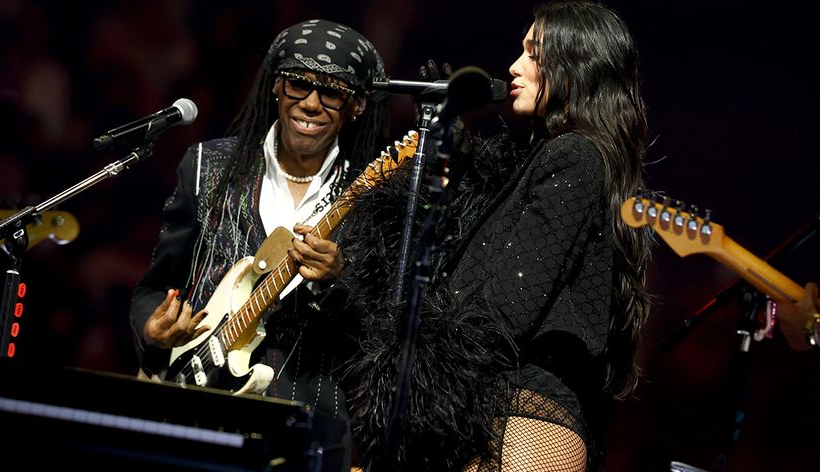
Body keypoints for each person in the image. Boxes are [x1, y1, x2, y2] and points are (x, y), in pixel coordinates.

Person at [336, 2, 651, 471]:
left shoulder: (575, 157)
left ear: (576, 66)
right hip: (496, 414)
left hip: (525, 421)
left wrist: (421, 376)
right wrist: (456, 170)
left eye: (533, 53)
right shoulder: (543, 159)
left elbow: (507, 305)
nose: (514, 66)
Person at [127, 19, 389, 471]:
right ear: (275, 87)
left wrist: (335, 282)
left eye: (332, 92)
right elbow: (155, 287)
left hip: (306, 418)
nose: (310, 103)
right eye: (298, 85)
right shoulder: (207, 165)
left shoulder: (374, 194)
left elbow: (386, 327)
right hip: (197, 402)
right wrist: (153, 330)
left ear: (358, 105)